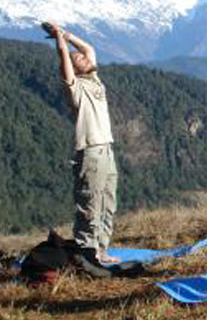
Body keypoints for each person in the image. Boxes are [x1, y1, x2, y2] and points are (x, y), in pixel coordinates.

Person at [45, 23, 120, 266]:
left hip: (106, 149)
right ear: (74, 69)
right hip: (90, 152)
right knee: (90, 204)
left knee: (108, 202)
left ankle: (102, 249)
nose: (83, 57)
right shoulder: (75, 88)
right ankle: (88, 255)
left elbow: (89, 48)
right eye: (77, 59)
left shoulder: (95, 80)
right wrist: (60, 42)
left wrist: (66, 34)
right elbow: (65, 61)